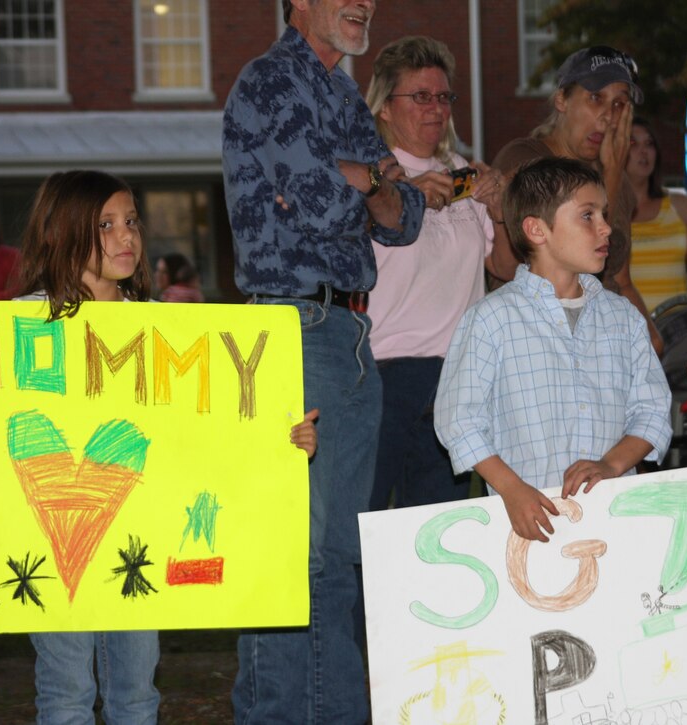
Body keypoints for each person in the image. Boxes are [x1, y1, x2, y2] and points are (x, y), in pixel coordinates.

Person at [0, 169, 321, 721]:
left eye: (132, 222)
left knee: (137, 693)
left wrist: (283, 444)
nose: (127, 237)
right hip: (47, 547)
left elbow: (205, 436)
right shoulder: (20, 321)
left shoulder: (165, 328)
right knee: (65, 692)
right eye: (106, 224)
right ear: (60, 233)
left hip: (140, 544)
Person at [221, 0, 423, 722]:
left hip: (346, 333)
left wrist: (363, 179)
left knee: (336, 561)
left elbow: (406, 220)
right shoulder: (271, 80)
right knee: (296, 559)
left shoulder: (339, 92)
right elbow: (320, 201)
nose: (362, 3)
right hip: (294, 328)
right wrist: (369, 180)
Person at [434, 157, 672, 542]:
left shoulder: (623, 316)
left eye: (604, 214)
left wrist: (611, 465)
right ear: (537, 230)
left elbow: (652, 411)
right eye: (587, 215)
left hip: (613, 519)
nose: (606, 227)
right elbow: (458, 421)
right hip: (527, 525)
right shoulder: (492, 318)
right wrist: (511, 489)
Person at [364, 35, 515, 510]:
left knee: (436, 528)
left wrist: (499, 212)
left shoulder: (464, 173)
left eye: (444, 97)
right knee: (362, 527)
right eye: (421, 97)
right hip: (384, 371)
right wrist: (404, 194)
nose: (436, 109)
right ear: (385, 108)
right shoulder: (369, 178)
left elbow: (504, 268)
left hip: (457, 376)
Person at [491, 45, 662, 353]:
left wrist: (651, 338)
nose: (608, 116)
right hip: (540, 341)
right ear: (562, 100)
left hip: (603, 335)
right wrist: (610, 175)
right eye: (596, 98)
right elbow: (563, 267)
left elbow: (619, 278)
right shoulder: (526, 161)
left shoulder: (618, 180)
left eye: (620, 104)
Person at [626, 117, 687, 311]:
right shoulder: (605, 211)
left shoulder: (680, 205)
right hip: (622, 334)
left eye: (649, 143)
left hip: (676, 333)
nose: (643, 151)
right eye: (633, 143)